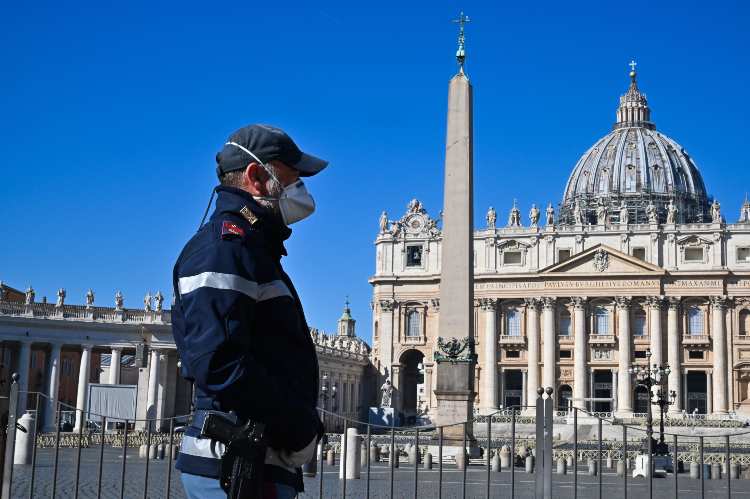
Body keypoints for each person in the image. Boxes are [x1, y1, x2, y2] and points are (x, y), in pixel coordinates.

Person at [172, 124, 328, 498]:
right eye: (292, 178)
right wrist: (298, 428)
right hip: (235, 464)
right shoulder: (226, 248)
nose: (301, 191)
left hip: (255, 460)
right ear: (258, 176)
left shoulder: (253, 248)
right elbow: (220, 363)